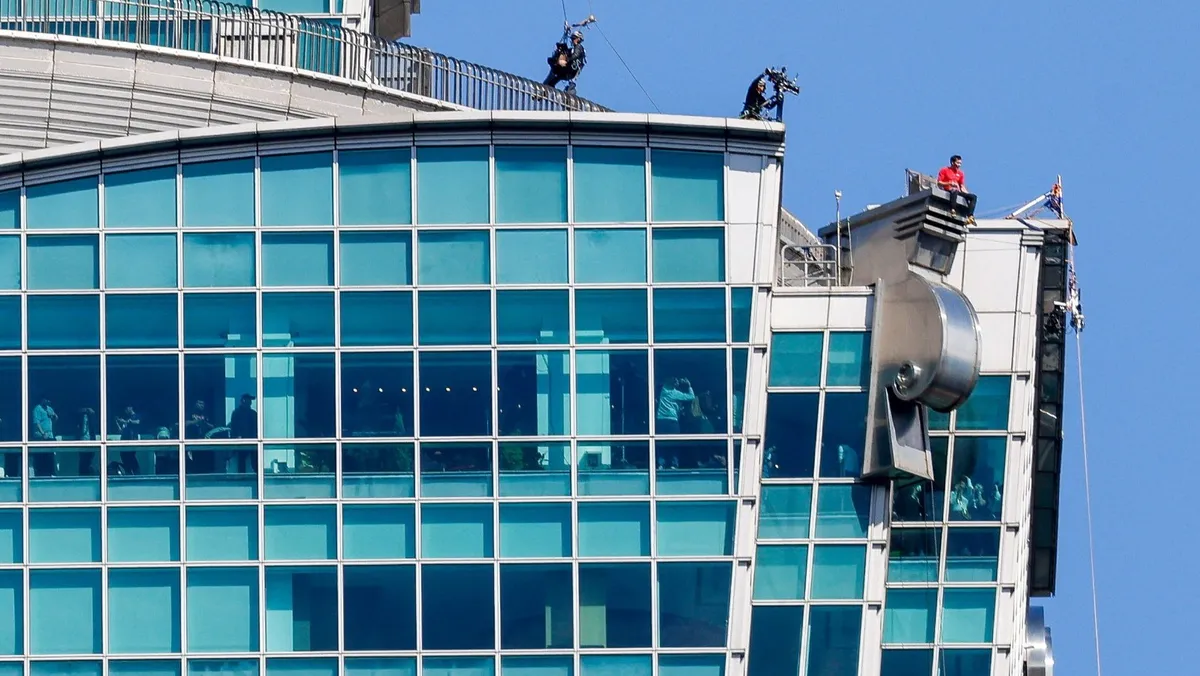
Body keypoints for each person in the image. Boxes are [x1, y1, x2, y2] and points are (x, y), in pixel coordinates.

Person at [543, 22, 588, 93]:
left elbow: (576, 55)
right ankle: (547, 88)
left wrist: (566, 60)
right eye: (572, 38)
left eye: (574, 38)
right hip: (568, 72)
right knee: (555, 76)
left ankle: (546, 89)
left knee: (555, 72)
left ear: (578, 39)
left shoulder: (579, 47)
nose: (572, 40)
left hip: (571, 70)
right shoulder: (572, 50)